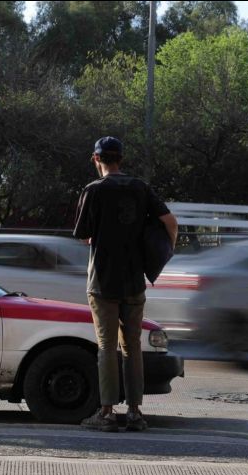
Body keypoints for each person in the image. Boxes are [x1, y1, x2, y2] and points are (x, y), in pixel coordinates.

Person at [73, 136, 178, 432]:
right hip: (134, 281)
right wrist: (161, 254)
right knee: (132, 346)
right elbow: (170, 222)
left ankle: (106, 414)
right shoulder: (141, 188)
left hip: (102, 282)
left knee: (106, 347)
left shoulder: (93, 190)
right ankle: (134, 413)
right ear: (122, 158)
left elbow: (83, 234)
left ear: (96, 159)